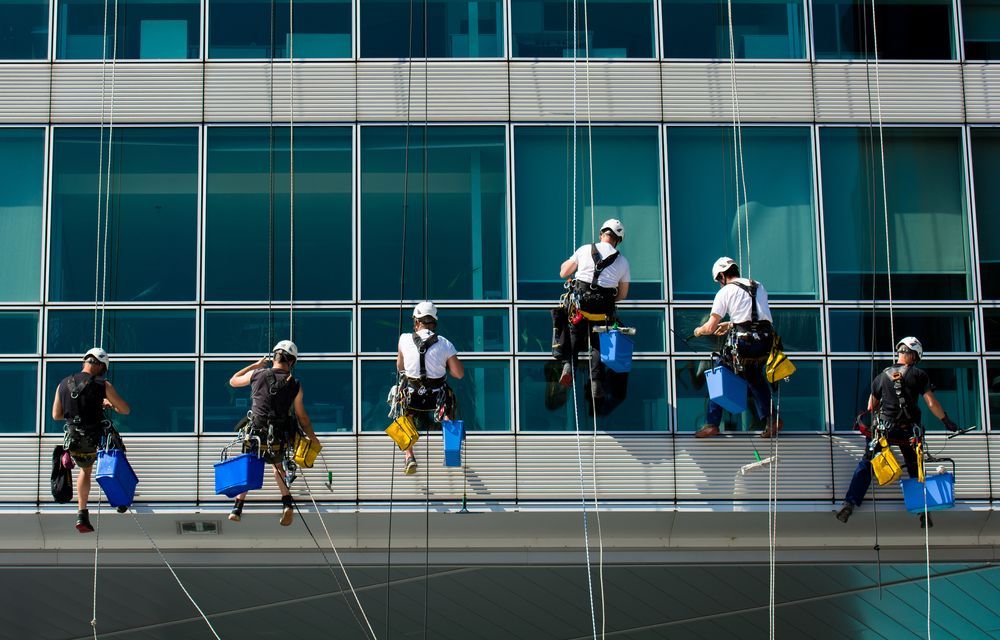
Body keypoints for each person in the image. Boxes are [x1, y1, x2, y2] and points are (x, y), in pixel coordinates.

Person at [836, 337, 959, 528]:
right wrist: (946, 421)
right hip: (908, 430)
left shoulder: (881, 376)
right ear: (914, 355)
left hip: (885, 429)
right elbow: (931, 403)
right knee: (914, 468)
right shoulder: (918, 374)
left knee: (867, 463)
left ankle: (849, 503)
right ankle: (922, 512)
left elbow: (871, 405)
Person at [227, 340, 318, 526]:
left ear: (274, 356)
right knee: (278, 468)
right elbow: (303, 418)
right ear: (291, 362)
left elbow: (233, 380)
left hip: (255, 434)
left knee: (249, 465)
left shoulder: (256, 374)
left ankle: (237, 507)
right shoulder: (295, 384)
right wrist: (313, 439)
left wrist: (256, 365)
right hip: (277, 436)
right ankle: (287, 504)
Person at [692, 257, 779, 438]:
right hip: (765, 341)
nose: (719, 284)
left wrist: (699, 330)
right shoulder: (758, 286)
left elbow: (710, 327)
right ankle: (772, 419)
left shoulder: (725, 292)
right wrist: (730, 324)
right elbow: (755, 317)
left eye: (718, 280)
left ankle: (712, 423)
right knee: (754, 376)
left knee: (719, 371)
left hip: (745, 343)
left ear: (722, 275)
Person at [51, 347, 131, 533]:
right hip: (96, 440)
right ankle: (119, 500)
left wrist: (77, 413)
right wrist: (108, 404)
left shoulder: (62, 384)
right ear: (101, 366)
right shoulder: (103, 386)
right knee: (117, 457)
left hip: (74, 441)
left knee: (85, 471)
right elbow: (125, 410)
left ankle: (82, 513)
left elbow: (56, 415)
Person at [555, 219, 631, 408]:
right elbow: (622, 294)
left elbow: (563, 272)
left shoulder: (583, 250)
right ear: (618, 240)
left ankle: (568, 366)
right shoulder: (622, 262)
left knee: (572, 330)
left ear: (601, 234)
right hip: (602, 310)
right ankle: (596, 381)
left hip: (581, 305)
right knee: (598, 342)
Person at [395, 301, 464, 475]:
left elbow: (400, 367)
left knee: (403, 414)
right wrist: (442, 363)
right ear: (434, 322)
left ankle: (409, 456)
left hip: (412, 396)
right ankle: (451, 452)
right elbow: (459, 374)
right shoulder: (445, 344)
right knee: (447, 413)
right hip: (436, 397)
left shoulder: (403, 339)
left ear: (416, 322)